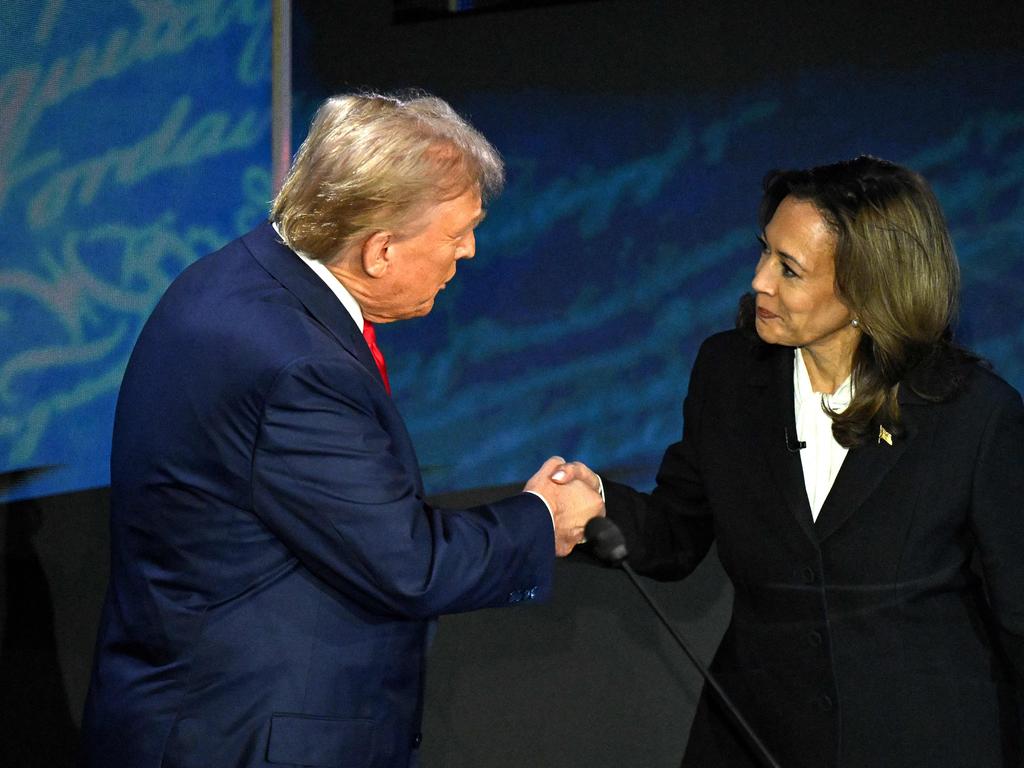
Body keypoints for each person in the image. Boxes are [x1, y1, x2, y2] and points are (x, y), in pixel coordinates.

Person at [79, 92, 603, 768]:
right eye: (456, 235)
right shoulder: (297, 365)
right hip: (248, 737)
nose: (468, 253)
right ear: (380, 249)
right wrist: (541, 518)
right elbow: (408, 564)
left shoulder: (238, 277)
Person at [556, 156, 1024, 767]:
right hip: (758, 738)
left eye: (789, 269)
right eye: (764, 253)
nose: (759, 281)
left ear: (867, 288)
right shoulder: (728, 373)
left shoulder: (972, 413)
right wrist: (595, 505)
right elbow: (676, 532)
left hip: (922, 739)